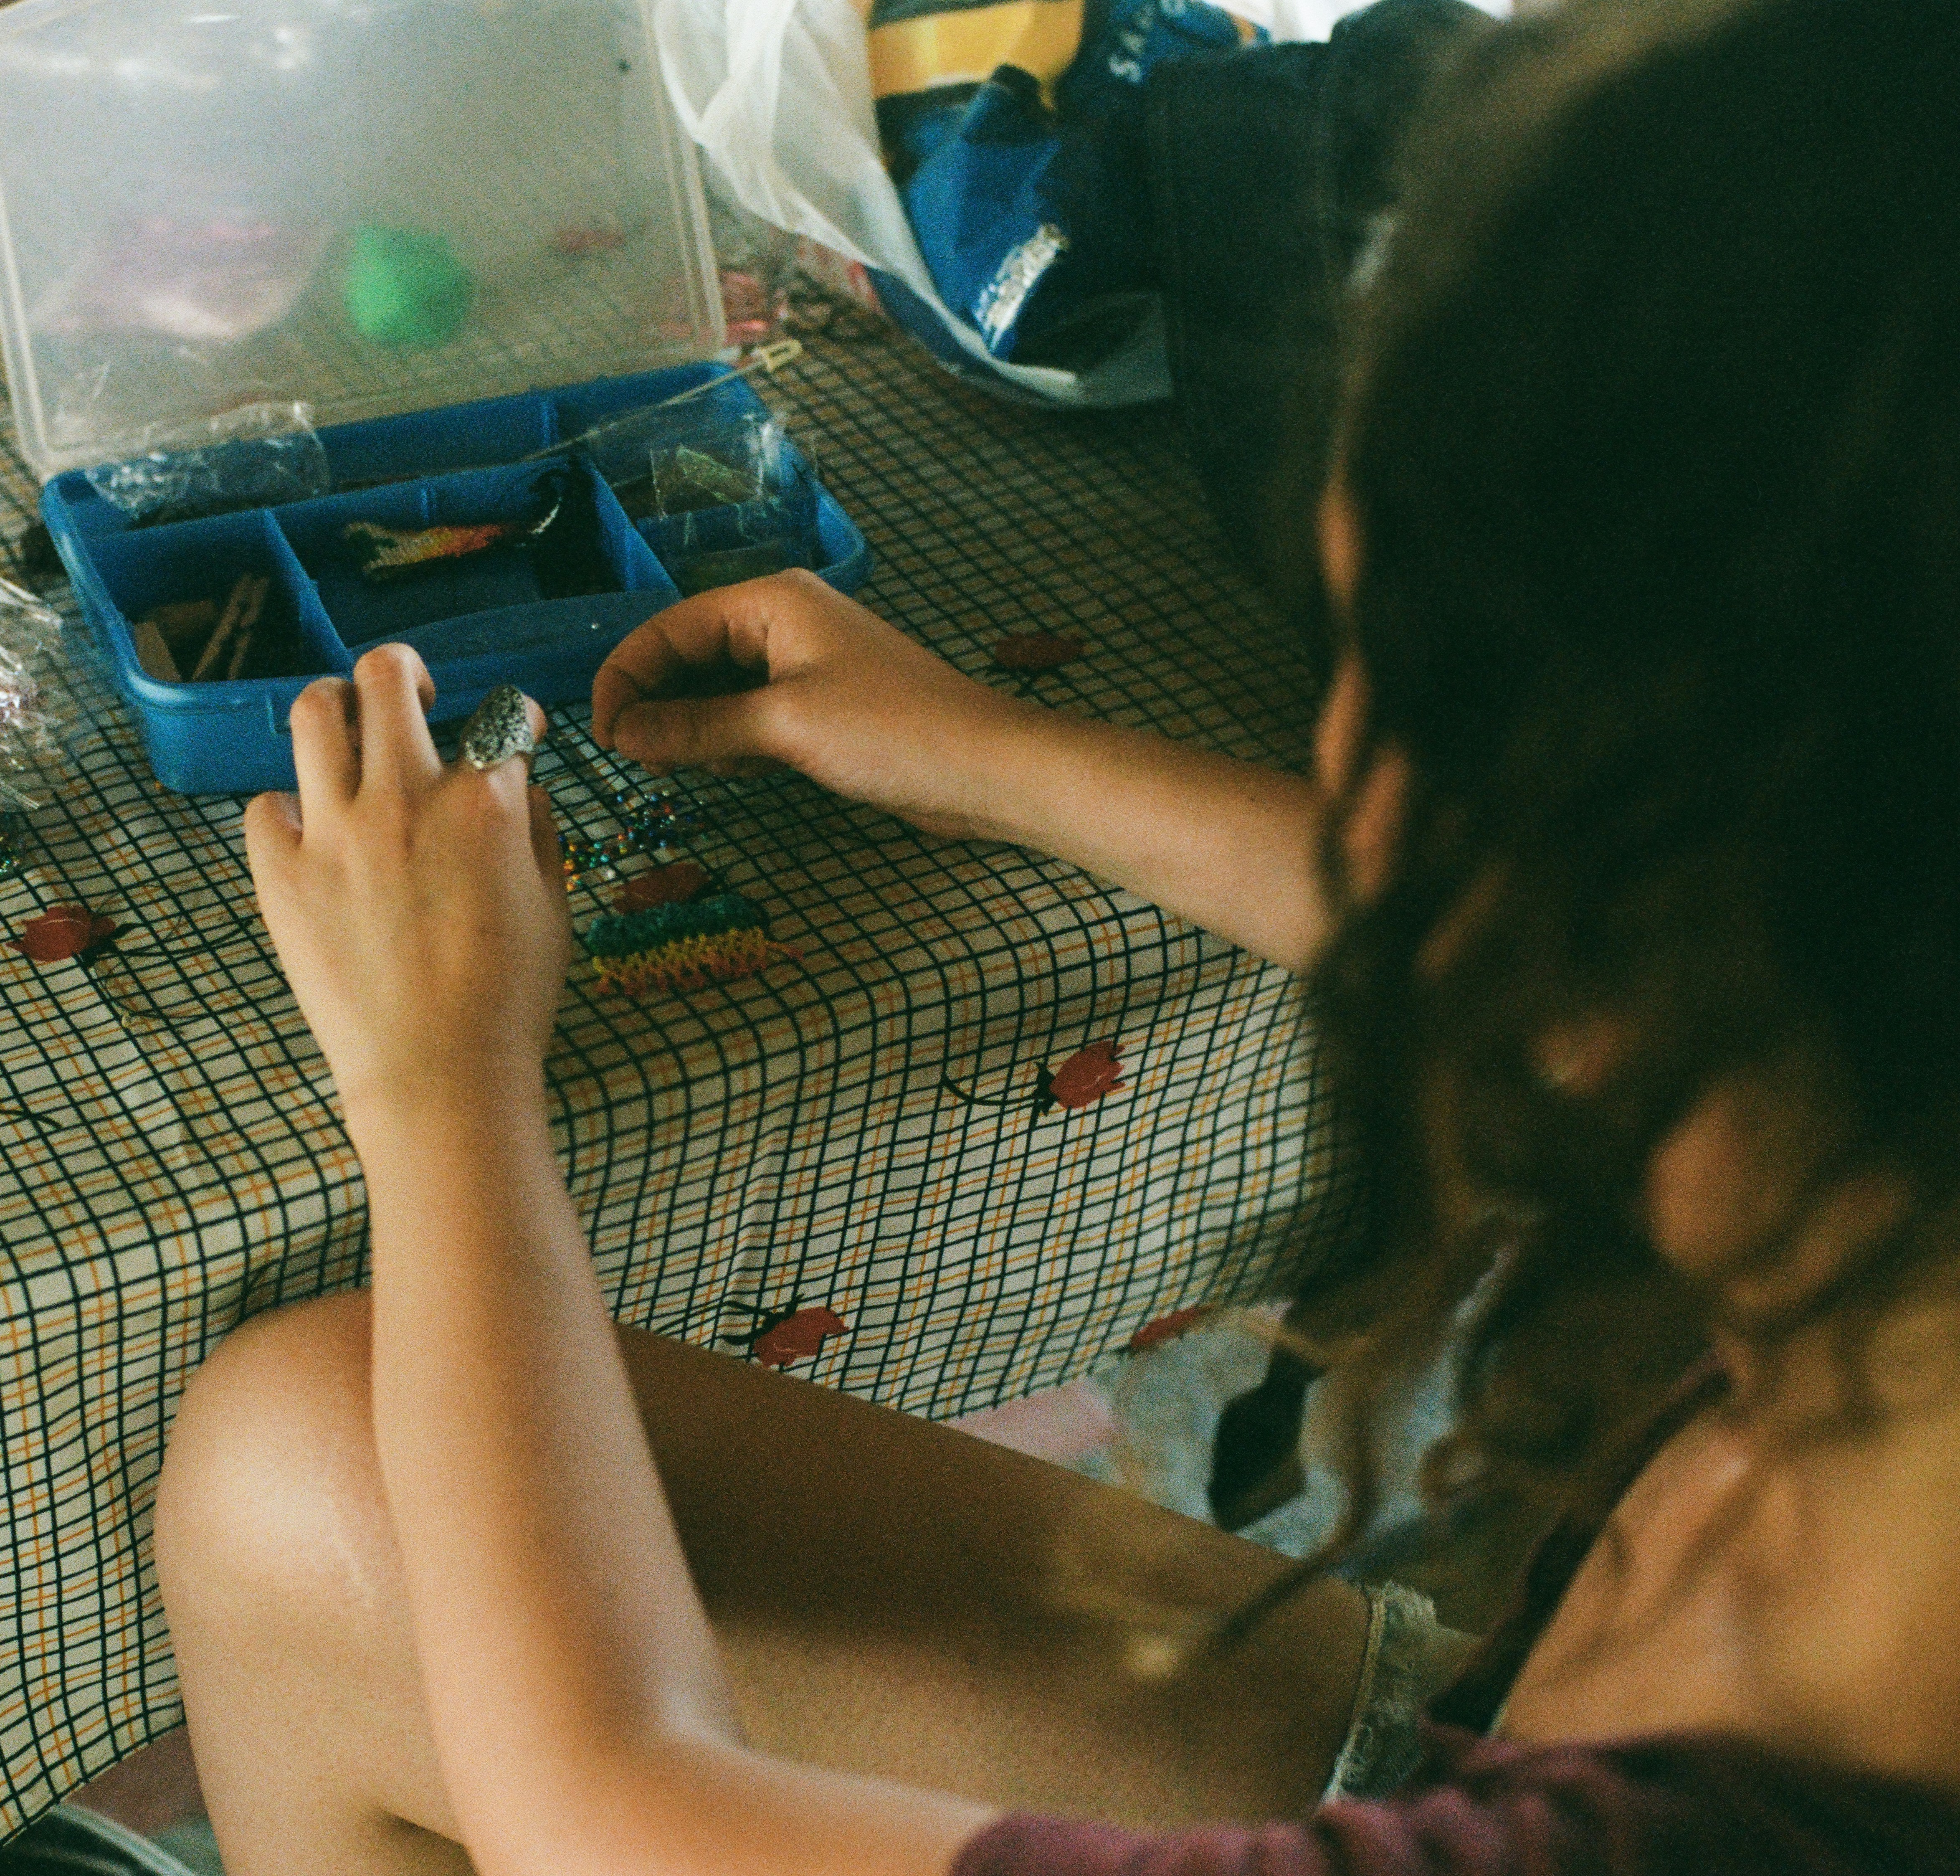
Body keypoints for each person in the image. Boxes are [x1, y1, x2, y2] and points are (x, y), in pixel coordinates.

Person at [151, 0, 1960, 1870]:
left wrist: (441, 1090)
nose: (1340, 763)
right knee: (307, 1438)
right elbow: (1553, 971)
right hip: (1493, 1745)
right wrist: (985, 754)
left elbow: (607, 1811)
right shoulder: (1889, 1116)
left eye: (1385, 690)